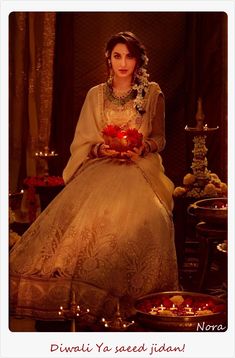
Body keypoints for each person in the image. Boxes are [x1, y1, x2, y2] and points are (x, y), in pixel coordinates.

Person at [10, 31, 179, 326]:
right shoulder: (96, 95)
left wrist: (142, 146)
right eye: (117, 56)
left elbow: (160, 139)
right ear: (108, 59)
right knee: (81, 231)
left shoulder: (151, 93)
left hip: (140, 170)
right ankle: (77, 295)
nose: (123, 63)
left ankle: (127, 297)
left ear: (138, 59)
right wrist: (103, 147)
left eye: (129, 56)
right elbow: (84, 141)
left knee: (145, 218)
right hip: (101, 167)